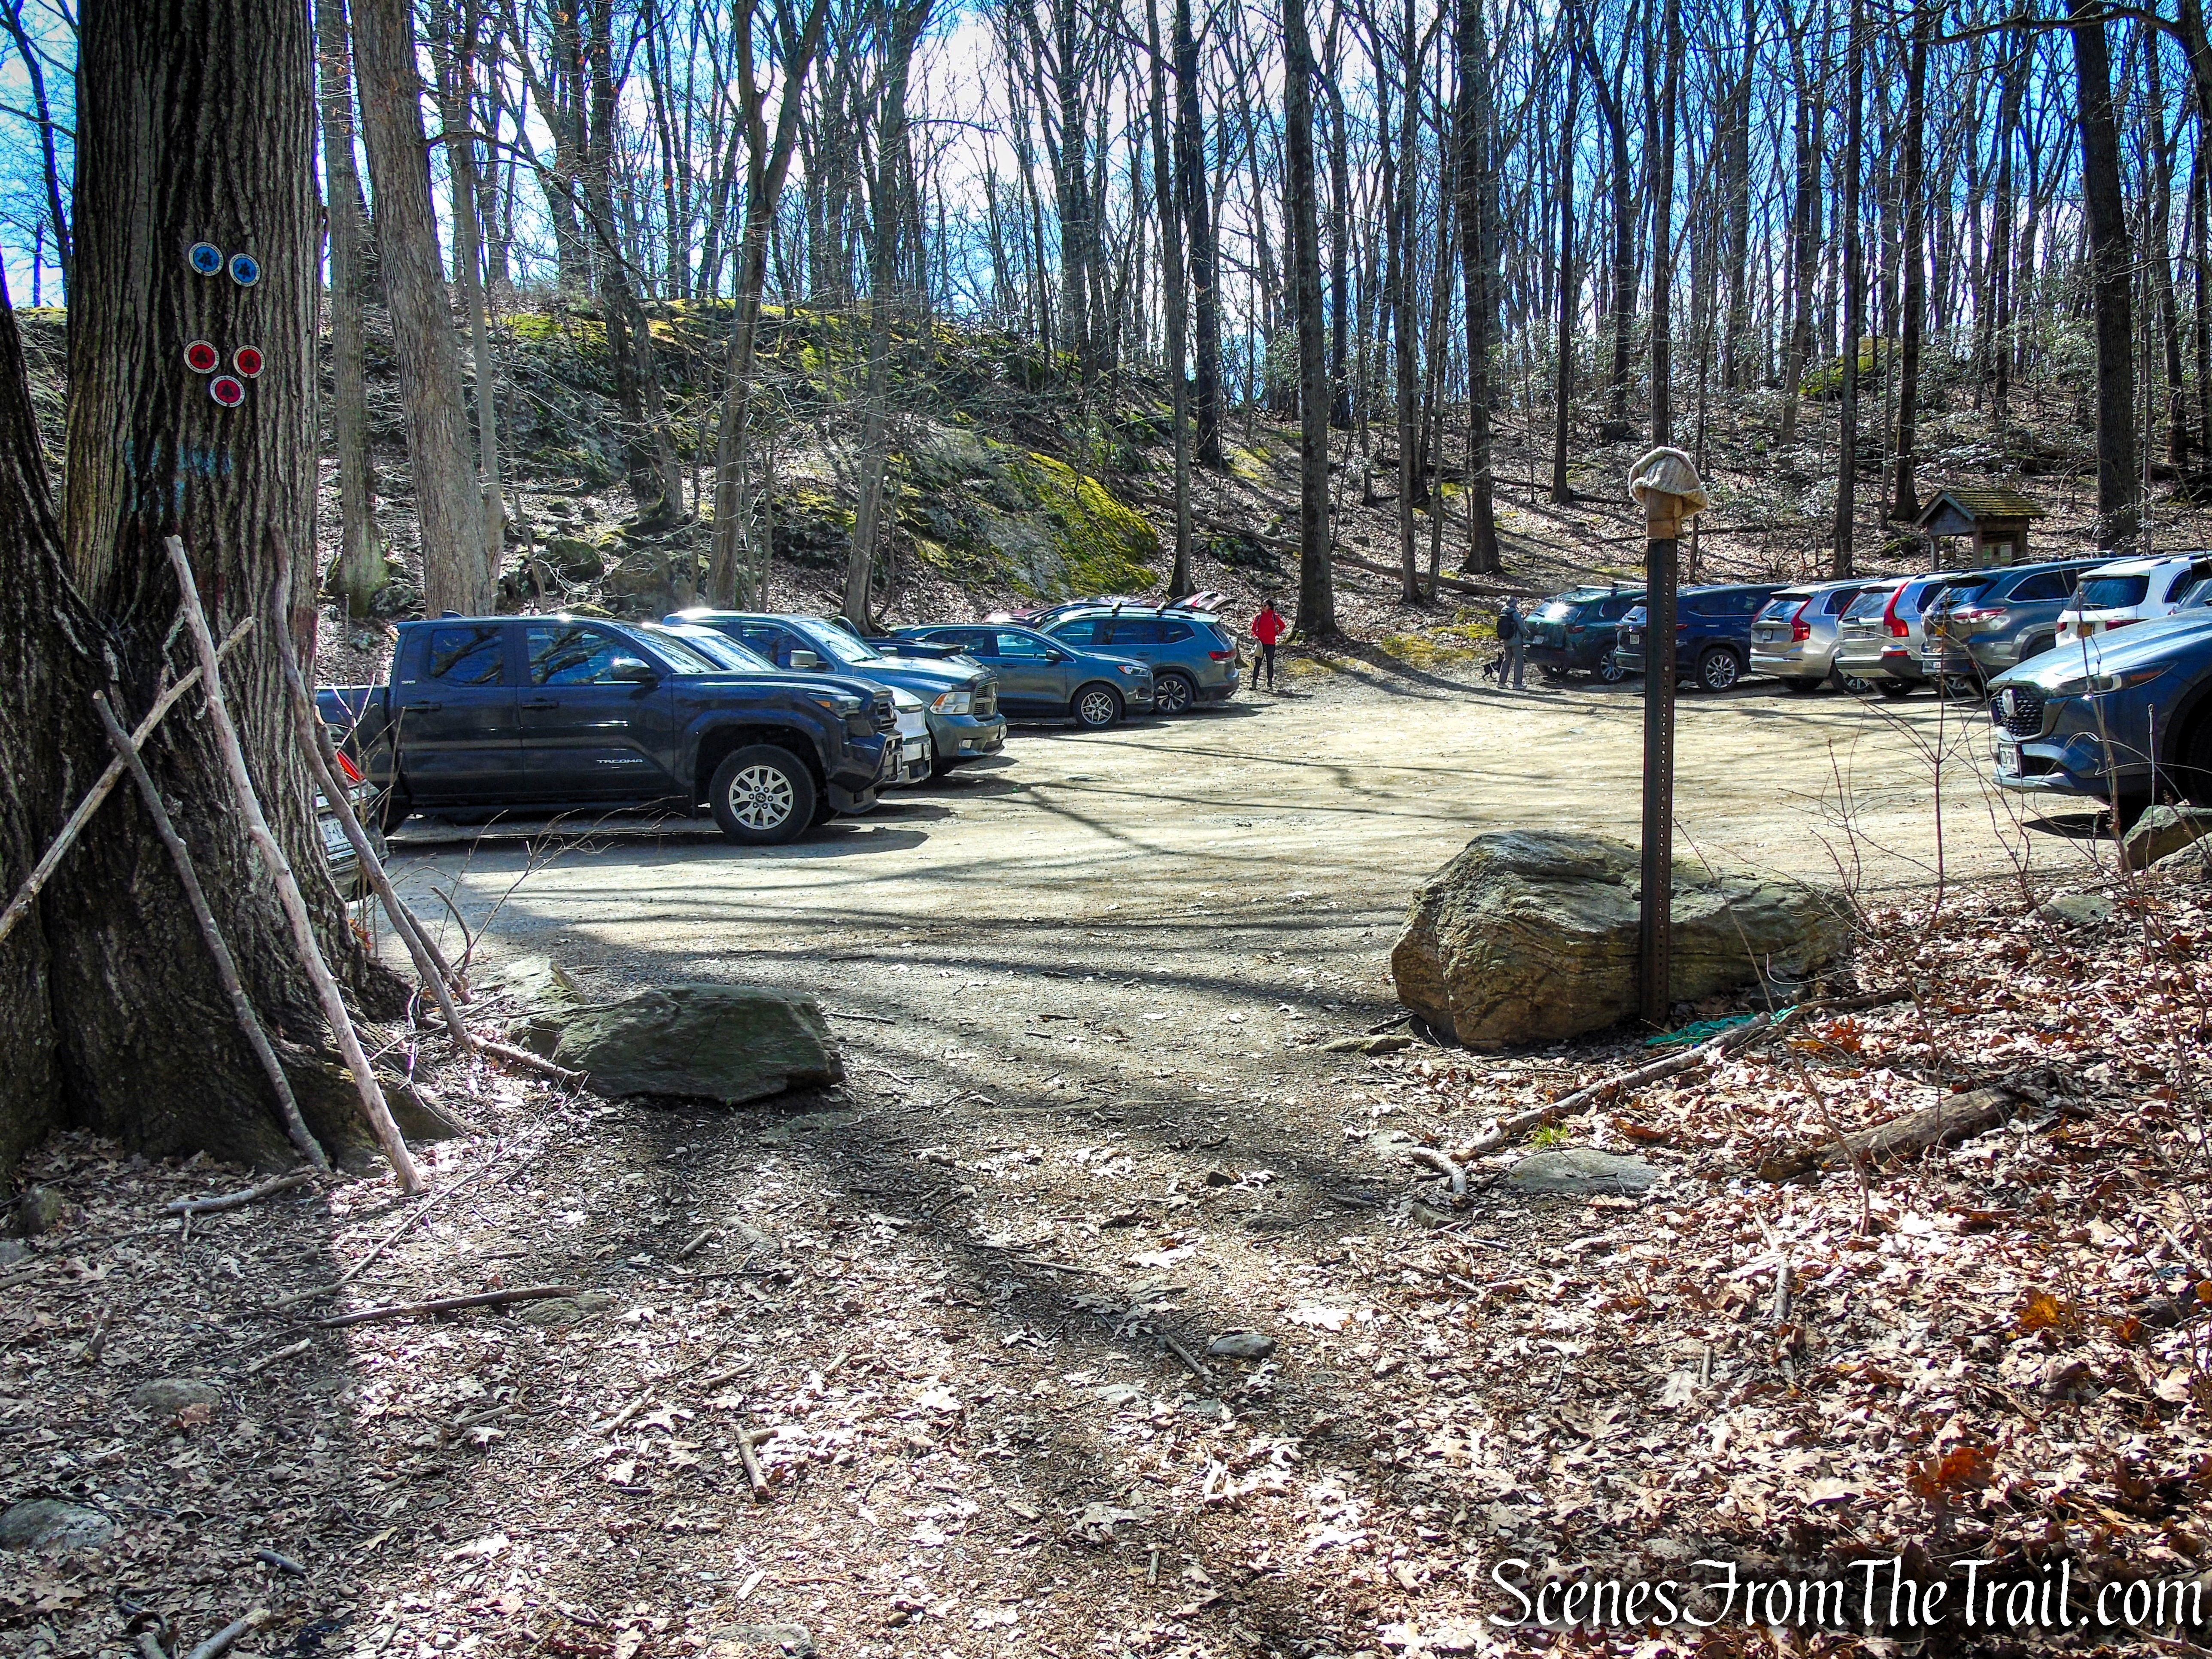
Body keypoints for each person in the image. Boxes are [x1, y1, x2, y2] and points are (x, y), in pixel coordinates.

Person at [1251, 598, 1286, 690]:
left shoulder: (1274, 617)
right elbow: (1253, 629)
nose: (1262, 607)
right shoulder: (1258, 617)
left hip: (1271, 643)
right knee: (1258, 663)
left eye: (1265, 605)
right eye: (1262, 605)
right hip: (1260, 643)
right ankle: (1254, 683)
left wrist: (1276, 633)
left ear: (1270, 607)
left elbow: (1283, 626)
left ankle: (1270, 683)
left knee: (1270, 663)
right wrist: (1255, 636)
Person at [1496, 598, 1525, 690]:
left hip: (1506, 641)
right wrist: (1529, 634)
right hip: (1516, 641)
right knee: (1519, 662)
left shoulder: (1503, 614)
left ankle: (1502, 682)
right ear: (1514, 604)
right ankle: (1517, 684)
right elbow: (1522, 628)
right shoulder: (1515, 614)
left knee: (1507, 661)